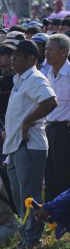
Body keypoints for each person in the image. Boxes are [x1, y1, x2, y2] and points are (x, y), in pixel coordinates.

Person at [3, 40, 57, 249]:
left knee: (29, 195)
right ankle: (26, 235)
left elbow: (50, 101)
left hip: (30, 145)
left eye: (18, 56)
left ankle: (32, 238)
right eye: (13, 55)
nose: (12, 59)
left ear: (31, 59)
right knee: (19, 195)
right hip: (16, 145)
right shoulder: (19, 79)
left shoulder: (34, 78)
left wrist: (26, 122)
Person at [43, 34, 70, 203]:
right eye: (46, 49)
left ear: (64, 52)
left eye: (50, 49)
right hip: (48, 128)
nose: (46, 53)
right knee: (49, 173)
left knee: (63, 174)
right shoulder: (48, 74)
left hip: (64, 131)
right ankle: (52, 216)